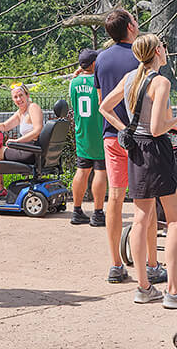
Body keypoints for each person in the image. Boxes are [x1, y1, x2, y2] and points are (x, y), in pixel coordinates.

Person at [98, 35, 177, 310]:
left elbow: (104, 107)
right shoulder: (160, 81)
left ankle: (144, 288)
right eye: (164, 47)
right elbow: (158, 127)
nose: (167, 51)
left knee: (141, 219)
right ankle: (174, 291)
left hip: (135, 151)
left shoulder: (130, 77)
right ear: (157, 51)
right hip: (156, 150)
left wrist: (124, 130)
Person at [92, 8, 163, 288]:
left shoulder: (101, 59)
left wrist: (120, 127)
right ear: (131, 27)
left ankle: (116, 264)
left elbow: (102, 99)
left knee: (115, 199)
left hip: (113, 137)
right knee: (145, 201)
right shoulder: (140, 56)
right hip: (142, 137)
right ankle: (152, 264)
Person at [0, 84, 43, 196]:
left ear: (27, 95)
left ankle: (0, 188)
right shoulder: (21, 112)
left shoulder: (33, 107)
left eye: (21, 95)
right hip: (27, 148)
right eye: (15, 97)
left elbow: (38, 130)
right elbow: (5, 126)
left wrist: (17, 141)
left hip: (29, 150)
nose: (18, 99)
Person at [67, 49, 107, 227]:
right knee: (100, 171)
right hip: (99, 132)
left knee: (82, 171)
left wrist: (78, 73)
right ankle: (98, 213)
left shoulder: (73, 83)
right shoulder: (100, 81)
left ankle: (76, 211)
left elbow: (74, 87)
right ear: (93, 64)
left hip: (81, 133)